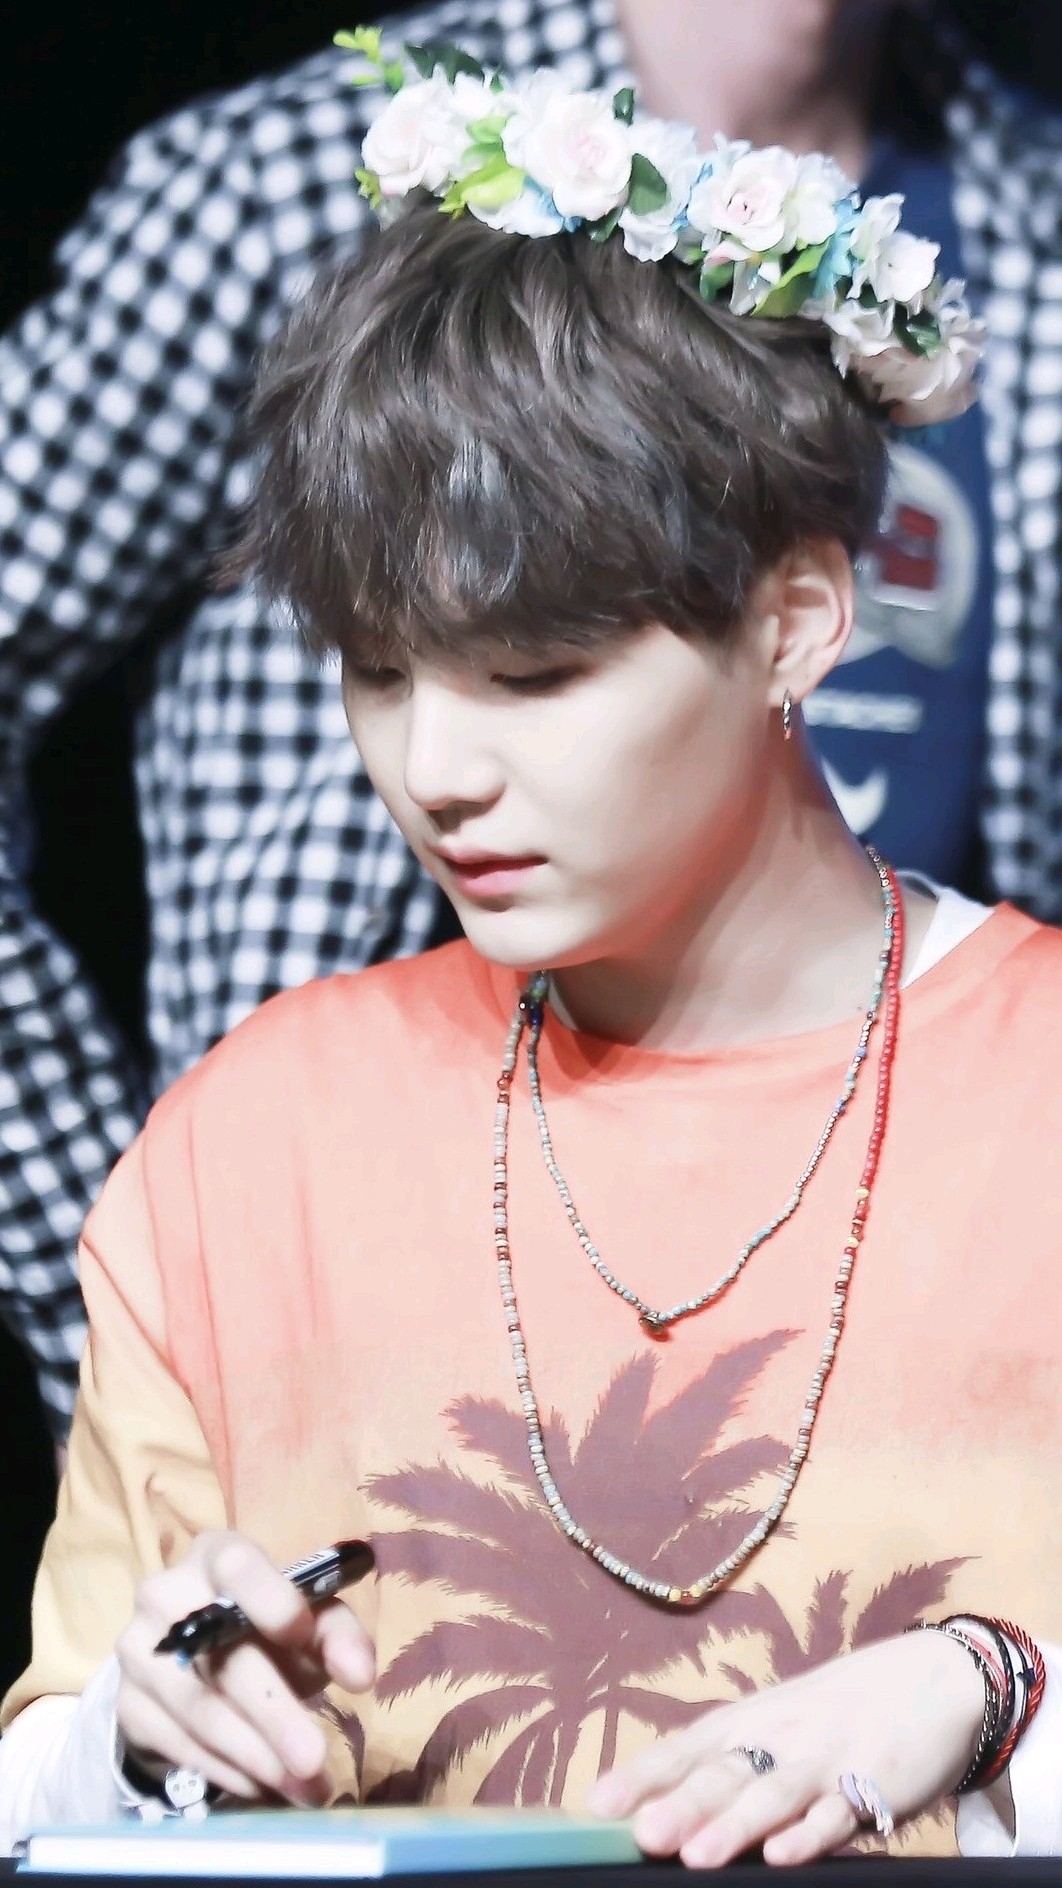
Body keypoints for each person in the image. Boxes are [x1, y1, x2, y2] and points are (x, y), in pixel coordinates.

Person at [2, 42, 1062, 1864]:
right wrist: (139, 1738)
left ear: (796, 620)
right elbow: (41, 1773)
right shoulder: (253, 1146)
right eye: (377, 671)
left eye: (533, 675)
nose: (433, 768)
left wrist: (993, 1696)